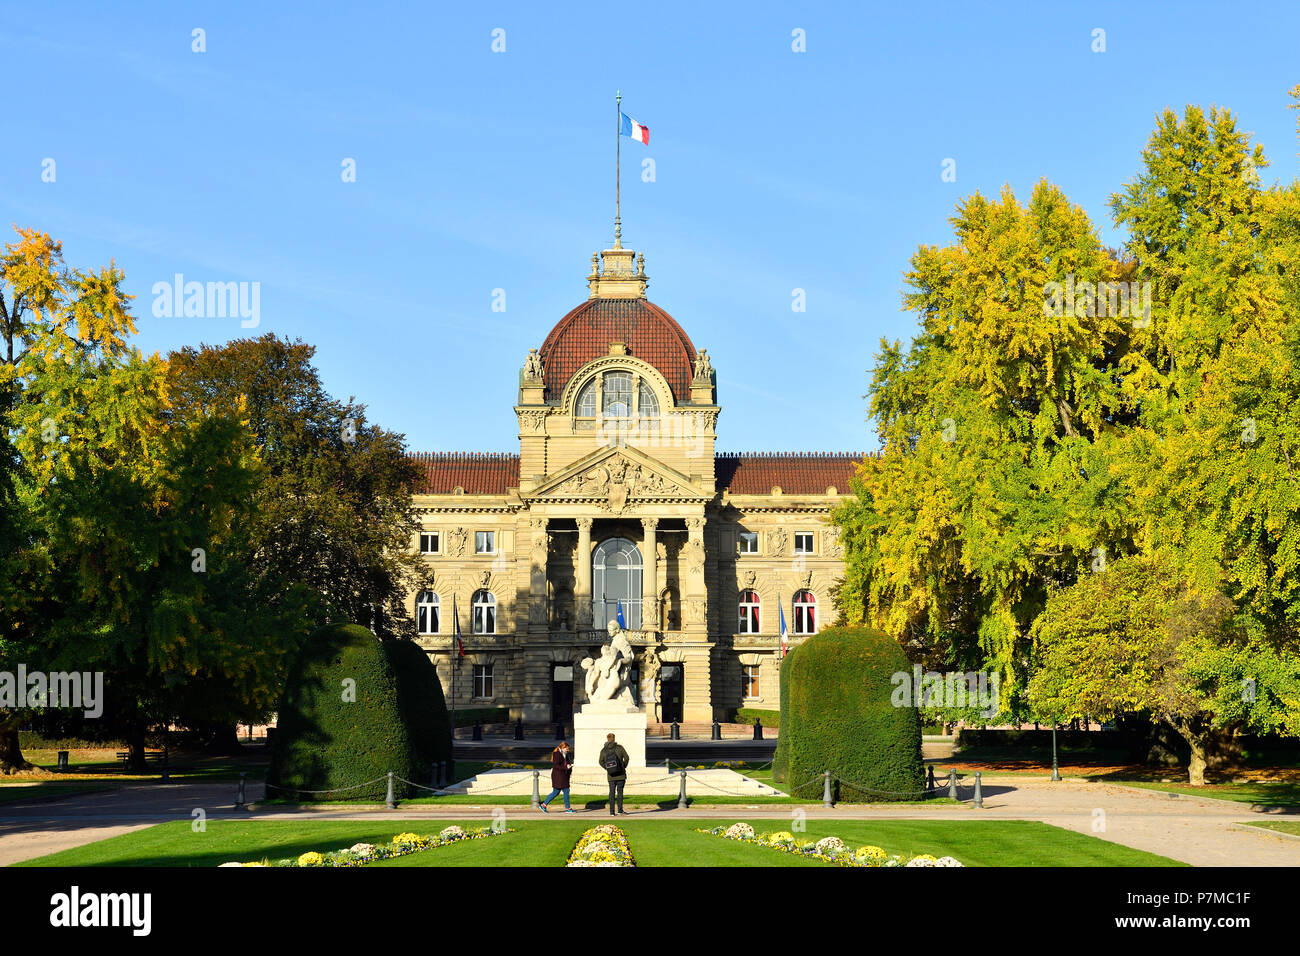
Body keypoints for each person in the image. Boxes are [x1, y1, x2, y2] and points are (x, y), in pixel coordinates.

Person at [599, 733, 629, 815]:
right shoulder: (620, 748)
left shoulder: (604, 750)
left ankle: (612, 812)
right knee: (620, 792)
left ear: (607, 739)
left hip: (611, 775)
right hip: (621, 774)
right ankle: (620, 810)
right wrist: (623, 766)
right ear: (614, 738)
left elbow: (600, 761)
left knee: (611, 793)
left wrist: (607, 768)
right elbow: (626, 758)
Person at [540, 741, 575, 813]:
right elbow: (556, 765)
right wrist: (566, 767)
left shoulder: (565, 754)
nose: (568, 750)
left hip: (563, 776)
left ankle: (543, 805)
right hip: (558, 776)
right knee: (565, 791)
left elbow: (567, 763)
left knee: (556, 792)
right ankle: (568, 808)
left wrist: (569, 767)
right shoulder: (557, 754)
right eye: (567, 749)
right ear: (563, 748)